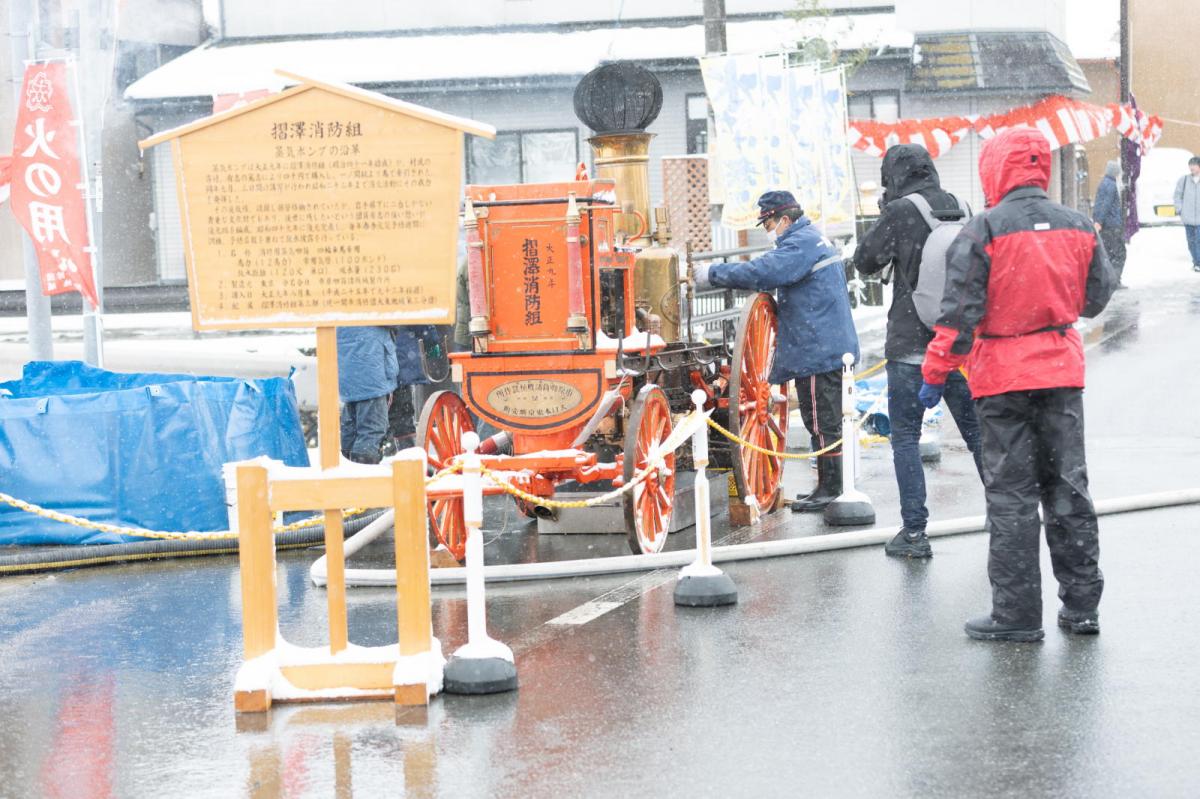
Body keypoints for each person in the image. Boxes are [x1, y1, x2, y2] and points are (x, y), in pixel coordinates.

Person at [920, 127, 1117, 642]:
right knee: (1069, 489)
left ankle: (1016, 615)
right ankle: (1081, 609)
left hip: (1002, 380)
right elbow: (1096, 297)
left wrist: (935, 372)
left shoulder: (983, 229)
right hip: (1059, 373)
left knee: (1011, 497)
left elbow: (959, 315)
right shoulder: (1078, 225)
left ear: (996, 169)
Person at [853, 144, 983, 558]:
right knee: (979, 434)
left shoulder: (901, 211)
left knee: (906, 437)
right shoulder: (963, 207)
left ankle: (914, 533)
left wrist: (885, 217)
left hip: (911, 343)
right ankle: (1008, 517)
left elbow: (865, 262)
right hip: (961, 343)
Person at [694, 190, 859, 512]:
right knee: (824, 418)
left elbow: (763, 272)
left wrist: (711, 273)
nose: (768, 230)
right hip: (826, 342)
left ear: (784, 219)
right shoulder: (812, 239)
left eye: (768, 223)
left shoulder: (799, 245)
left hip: (817, 347)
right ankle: (830, 485)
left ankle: (830, 488)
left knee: (821, 419)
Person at [337, 326, 401, 463]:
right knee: (372, 430)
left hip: (348, 367)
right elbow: (395, 316)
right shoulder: (370, 307)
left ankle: (347, 470)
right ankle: (363, 474)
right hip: (372, 367)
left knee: (351, 428)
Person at [1092, 160, 1127, 286]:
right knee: (1119, 254)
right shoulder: (1111, 185)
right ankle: (1114, 281)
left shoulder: (1104, 183)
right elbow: (1105, 205)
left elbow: (1099, 205)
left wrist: (1097, 220)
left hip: (1106, 226)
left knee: (1109, 253)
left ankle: (1109, 280)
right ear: (1115, 172)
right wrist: (1099, 221)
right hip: (1112, 225)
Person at [1172, 155, 1200, 272]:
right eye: (1190, 165)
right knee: (1191, 243)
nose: (1191, 167)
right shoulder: (1183, 180)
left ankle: (1198, 263)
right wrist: (1179, 209)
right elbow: (1177, 196)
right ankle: (1197, 261)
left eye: (1193, 165)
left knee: (1198, 241)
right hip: (1187, 217)